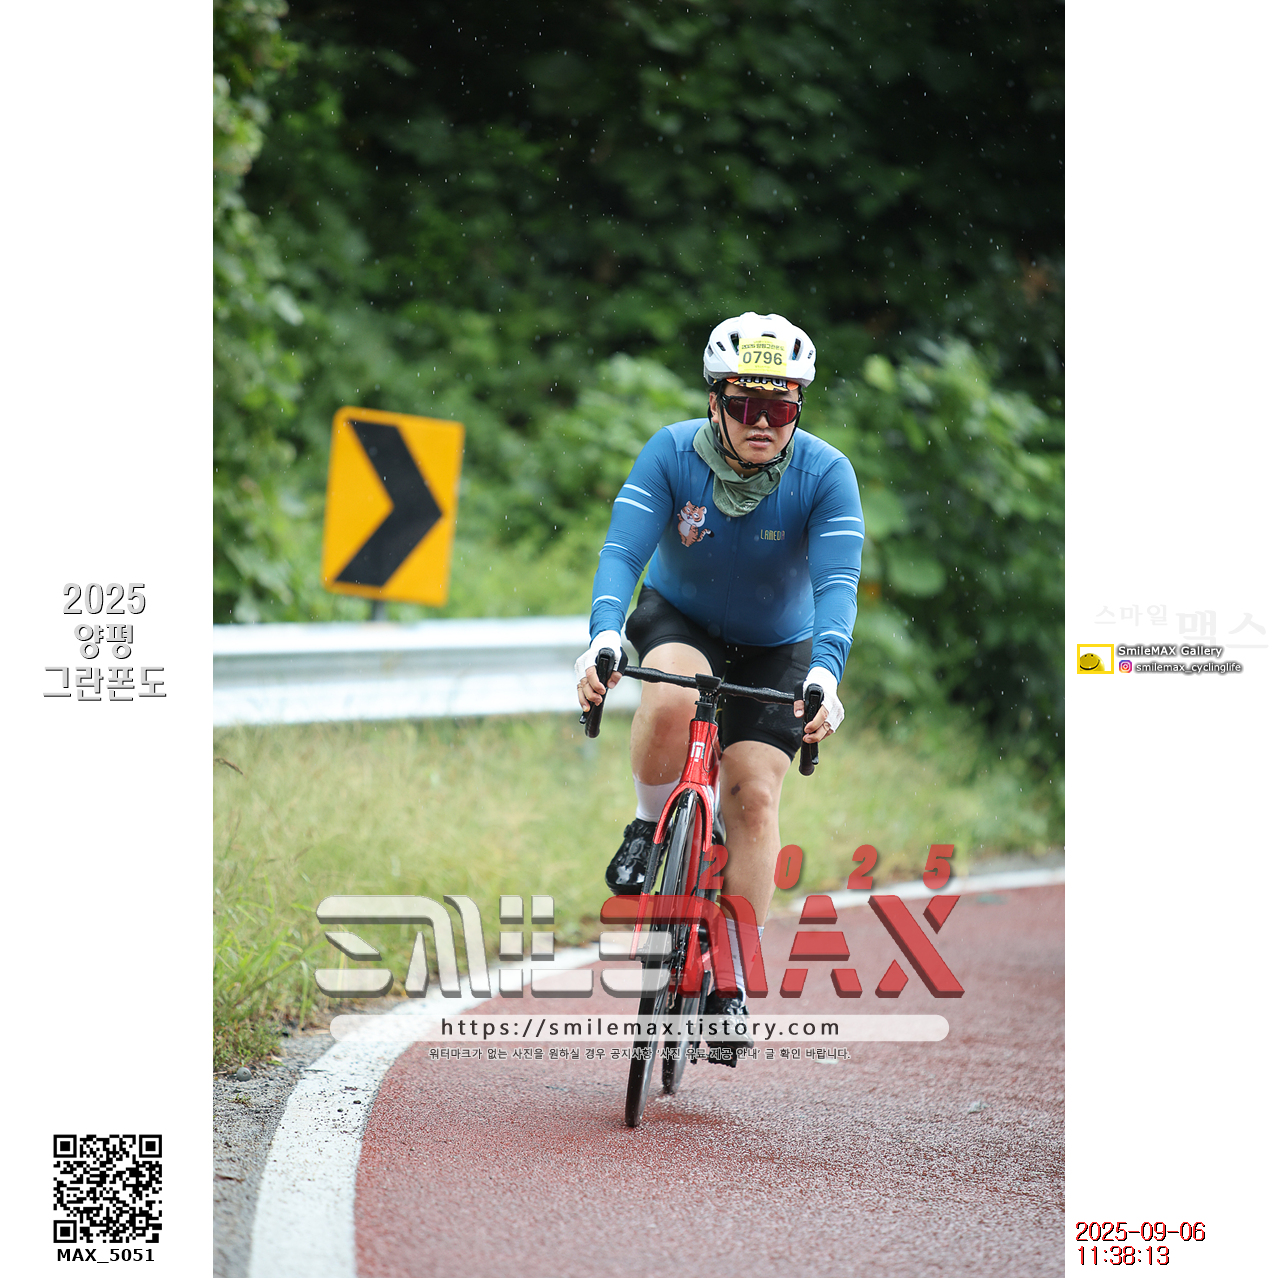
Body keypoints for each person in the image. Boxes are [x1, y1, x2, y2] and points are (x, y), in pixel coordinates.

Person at [574, 311, 863, 1065]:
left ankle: (729, 979)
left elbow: (837, 585)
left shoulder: (826, 474)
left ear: (798, 409)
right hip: (683, 618)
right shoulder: (672, 453)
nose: (762, 422)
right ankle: (646, 828)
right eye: (745, 404)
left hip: (780, 645)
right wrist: (604, 635)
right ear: (715, 401)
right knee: (673, 693)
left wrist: (826, 672)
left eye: (780, 408)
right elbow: (622, 552)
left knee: (754, 797)